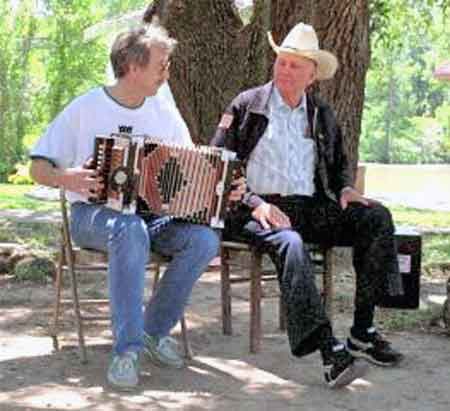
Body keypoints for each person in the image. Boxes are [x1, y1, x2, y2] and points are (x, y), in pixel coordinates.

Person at [29, 24, 242, 390]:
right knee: (129, 230)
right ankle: (126, 352)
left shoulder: (163, 112)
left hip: (151, 218)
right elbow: (37, 167)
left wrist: (222, 190)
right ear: (131, 64)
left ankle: (152, 332)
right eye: (161, 64)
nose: (167, 72)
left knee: (204, 241)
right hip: (91, 215)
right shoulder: (86, 107)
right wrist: (67, 178)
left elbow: (192, 169)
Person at [211, 22, 404, 388]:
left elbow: (338, 163)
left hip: (309, 206)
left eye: (295, 65)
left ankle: (363, 332)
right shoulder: (247, 105)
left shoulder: (320, 113)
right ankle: (329, 351)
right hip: (251, 208)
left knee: (376, 218)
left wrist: (346, 188)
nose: (285, 70)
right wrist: (254, 203)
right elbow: (217, 161)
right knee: (291, 241)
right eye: (281, 62)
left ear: (312, 75)